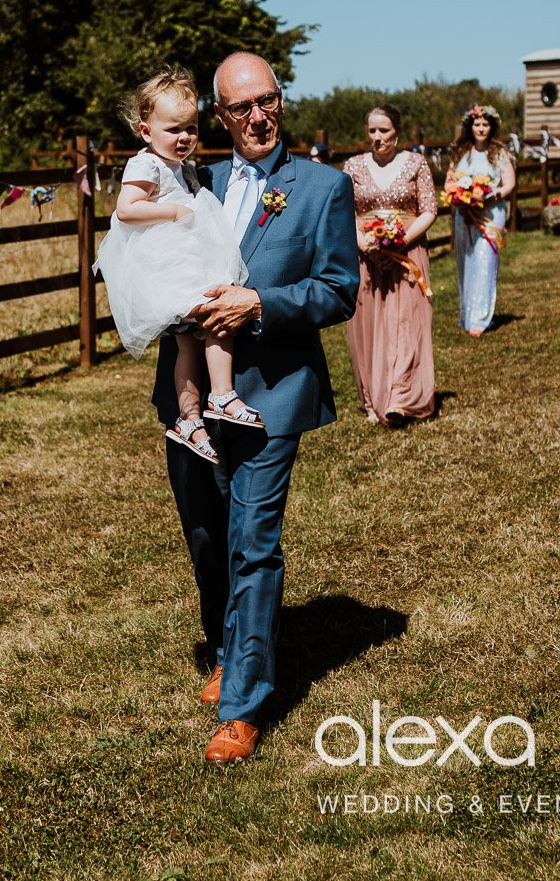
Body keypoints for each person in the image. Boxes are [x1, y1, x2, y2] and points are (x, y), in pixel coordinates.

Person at [152, 52, 359, 762]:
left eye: (267, 101)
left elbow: (338, 290)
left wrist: (260, 304)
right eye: (241, 108)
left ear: (281, 100)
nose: (258, 117)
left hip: (272, 394)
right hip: (187, 397)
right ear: (219, 116)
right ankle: (225, 646)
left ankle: (243, 703)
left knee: (253, 542)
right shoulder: (191, 179)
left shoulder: (322, 188)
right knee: (207, 536)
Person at [94, 67, 260, 465]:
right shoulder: (146, 165)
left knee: (188, 339)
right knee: (212, 316)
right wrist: (173, 211)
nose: (184, 137)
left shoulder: (180, 166)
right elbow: (126, 209)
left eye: (191, 128)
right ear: (146, 130)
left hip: (188, 257)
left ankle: (191, 418)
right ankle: (220, 395)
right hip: (169, 262)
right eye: (174, 130)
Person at [342, 104, 437, 425]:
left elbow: (429, 209)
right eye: (372, 131)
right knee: (368, 328)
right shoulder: (353, 167)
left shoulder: (416, 164)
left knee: (406, 324)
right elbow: (343, 212)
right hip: (365, 257)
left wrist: (400, 240)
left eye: (384, 130)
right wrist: (365, 243)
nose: (377, 137)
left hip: (407, 255)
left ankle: (400, 397)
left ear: (397, 130)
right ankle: (372, 399)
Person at [448, 104, 516, 336]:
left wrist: (491, 195)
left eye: (485, 124)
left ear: (492, 127)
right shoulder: (461, 153)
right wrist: (460, 195)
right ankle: (467, 313)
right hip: (465, 212)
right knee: (466, 260)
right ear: (470, 126)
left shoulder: (499, 152)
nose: (481, 129)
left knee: (485, 260)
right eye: (477, 124)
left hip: (490, 212)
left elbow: (509, 184)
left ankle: (481, 318)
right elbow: (449, 181)